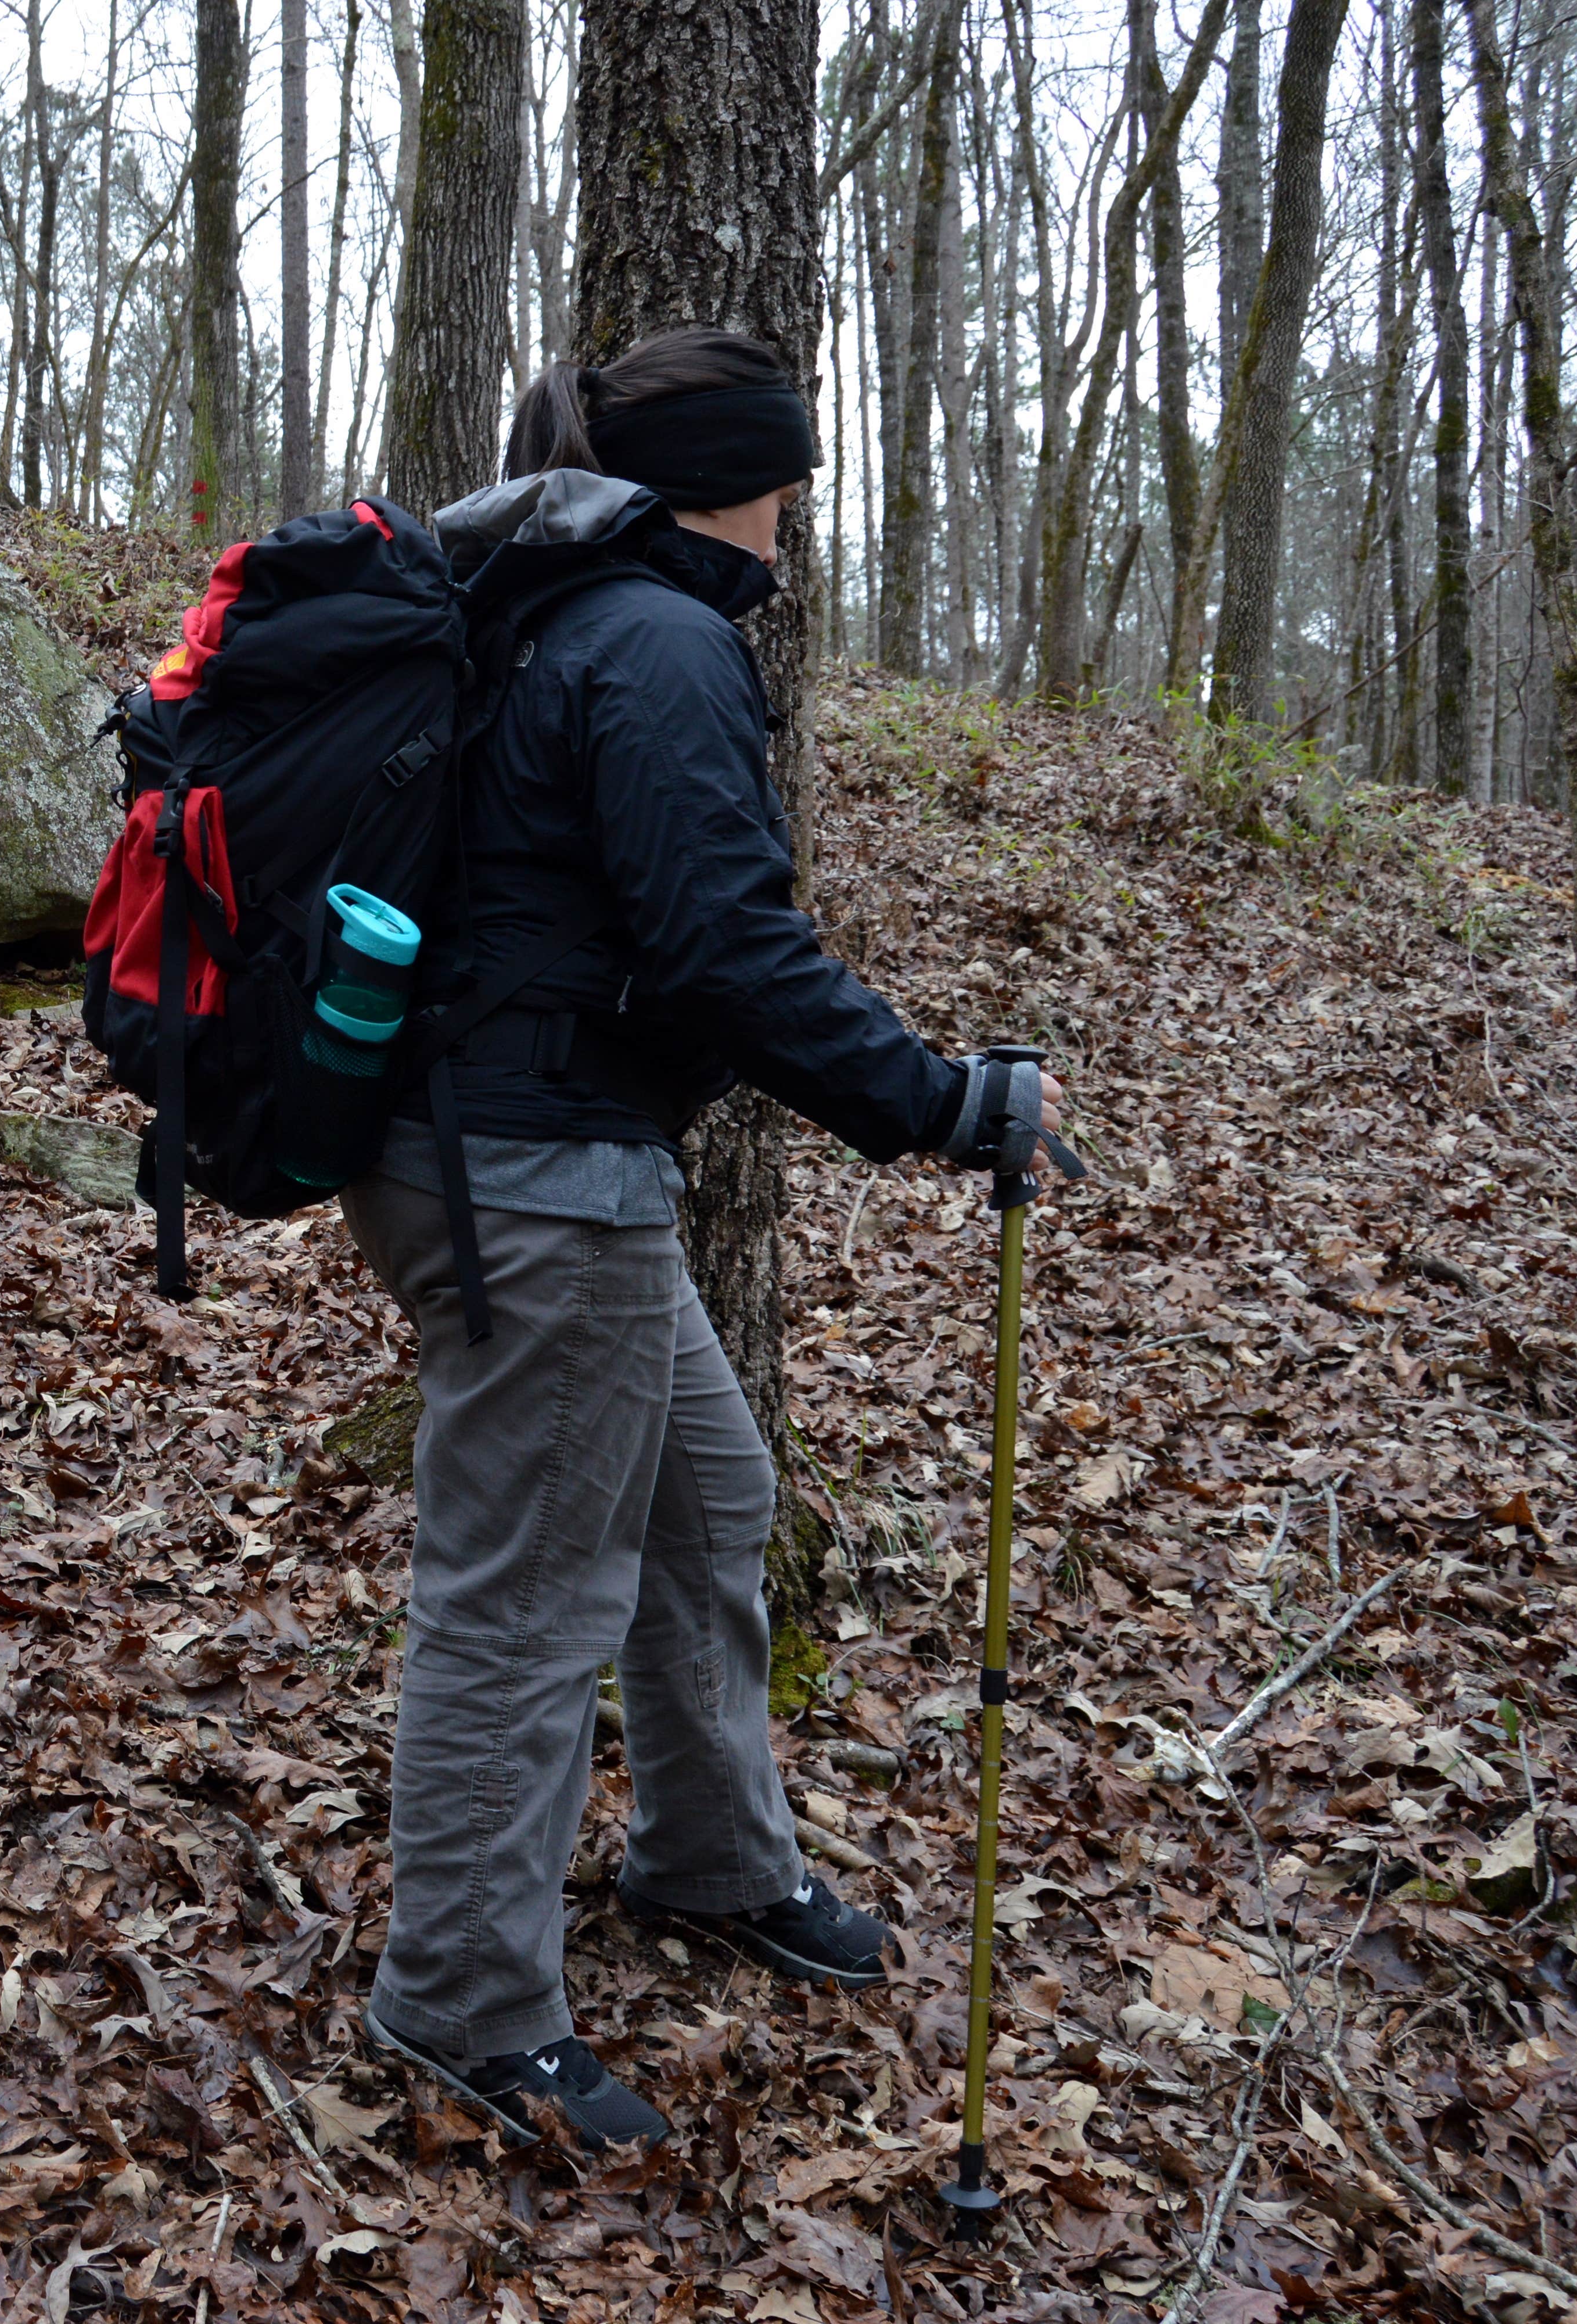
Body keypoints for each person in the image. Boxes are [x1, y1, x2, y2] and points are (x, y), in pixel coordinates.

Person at [344, 327, 1064, 2149]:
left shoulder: (561, 605)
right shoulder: (656, 638)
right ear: (741, 479)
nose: (800, 525)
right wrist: (940, 1101)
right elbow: (725, 951)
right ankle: (461, 2001)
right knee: (522, 1605)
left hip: (516, 1150)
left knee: (712, 1500)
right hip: (536, 1177)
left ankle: (713, 1862)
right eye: (791, 485)